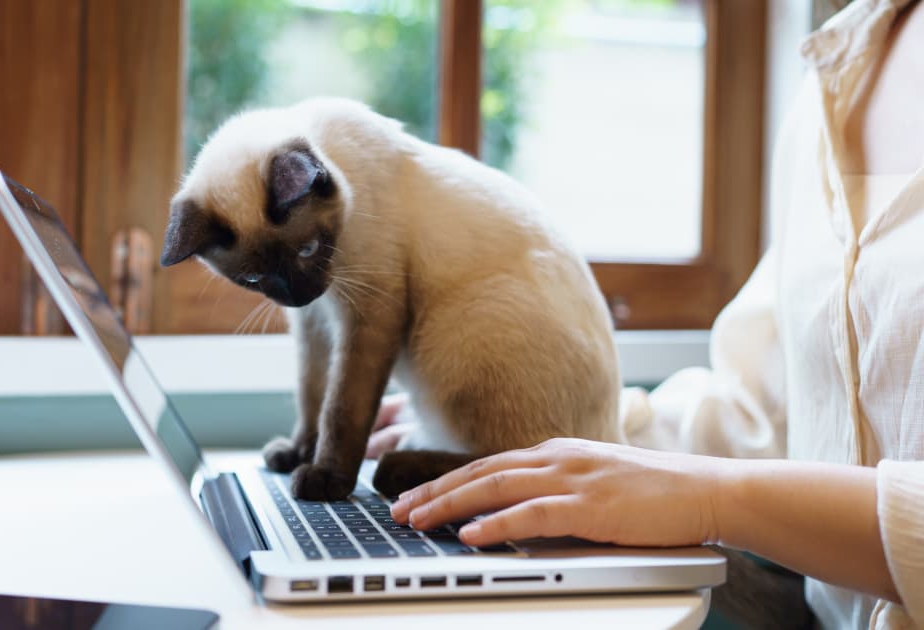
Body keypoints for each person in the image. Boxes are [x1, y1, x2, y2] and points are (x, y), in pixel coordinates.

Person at [371, 0, 924, 627]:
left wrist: (709, 498)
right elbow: (765, 411)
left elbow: (727, 480)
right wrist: (540, 438)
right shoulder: (839, 68)